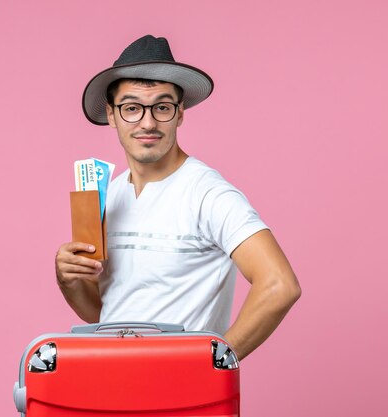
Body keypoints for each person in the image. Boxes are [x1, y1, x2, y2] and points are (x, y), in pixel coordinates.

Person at [56, 35, 301, 360]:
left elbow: (280, 285)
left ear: (179, 113)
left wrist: (215, 364)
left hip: (184, 396)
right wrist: (69, 280)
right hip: (114, 384)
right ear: (112, 115)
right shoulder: (109, 195)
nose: (148, 122)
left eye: (162, 107)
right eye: (131, 108)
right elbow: (102, 314)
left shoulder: (208, 194)